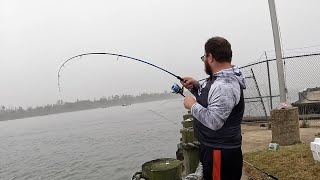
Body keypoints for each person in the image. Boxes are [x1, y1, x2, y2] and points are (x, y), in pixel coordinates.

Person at [181, 36, 246, 180]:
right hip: (214, 149)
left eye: (204, 56)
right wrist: (197, 87)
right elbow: (213, 101)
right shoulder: (220, 79)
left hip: (220, 153)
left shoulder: (224, 85)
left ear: (210, 57)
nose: (204, 60)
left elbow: (214, 121)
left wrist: (192, 105)